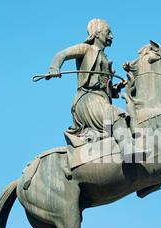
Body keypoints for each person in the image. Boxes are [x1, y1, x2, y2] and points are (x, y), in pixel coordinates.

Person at [47, 18, 145, 163]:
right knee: (117, 113)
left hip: (101, 99)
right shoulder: (86, 48)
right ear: (97, 33)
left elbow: (103, 86)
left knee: (129, 115)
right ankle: (127, 150)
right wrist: (54, 67)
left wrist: (114, 89)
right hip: (87, 100)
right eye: (108, 32)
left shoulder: (104, 57)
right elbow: (61, 54)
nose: (111, 36)